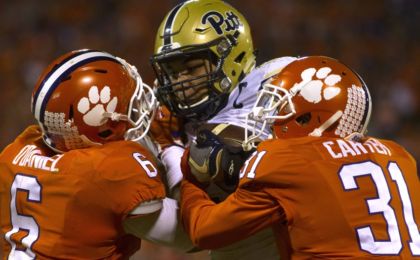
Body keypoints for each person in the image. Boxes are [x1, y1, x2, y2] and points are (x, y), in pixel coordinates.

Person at [180, 56, 420, 259]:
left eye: (281, 108)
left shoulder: (284, 159)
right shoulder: (399, 155)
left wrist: (191, 175)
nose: (270, 118)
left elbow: (204, 231)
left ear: (311, 118)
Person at [0, 49, 193, 259]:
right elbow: (196, 236)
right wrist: (176, 161)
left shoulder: (14, 153)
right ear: (102, 126)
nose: (140, 110)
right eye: (130, 106)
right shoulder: (107, 174)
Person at [149, 0, 297, 259]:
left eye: (192, 68)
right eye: (172, 73)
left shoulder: (279, 81)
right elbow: (193, 215)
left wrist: (170, 152)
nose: (180, 83)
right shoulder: (183, 121)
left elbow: (353, 97)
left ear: (234, 57)